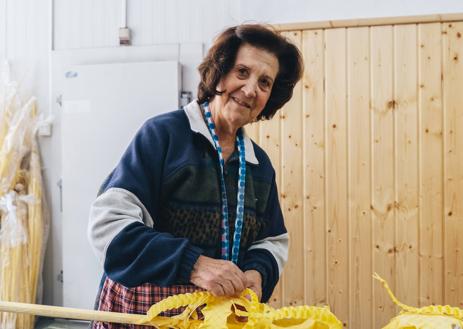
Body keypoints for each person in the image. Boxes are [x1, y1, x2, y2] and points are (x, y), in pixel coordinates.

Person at [87, 23, 303, 328]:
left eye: (265, 82)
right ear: (219, 72)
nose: (251, 89)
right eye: (242, 72)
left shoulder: (259, 165)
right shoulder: (164, 136)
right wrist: (193, 265)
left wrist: (257, 273)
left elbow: (272, 241)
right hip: (143, 314)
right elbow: (108, 228)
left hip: (216, 318)